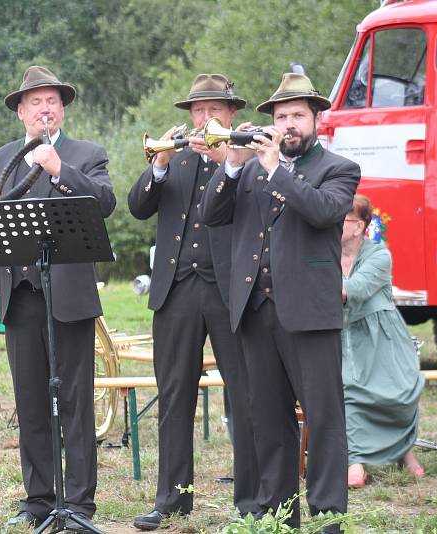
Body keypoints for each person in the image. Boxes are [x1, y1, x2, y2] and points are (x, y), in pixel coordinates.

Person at [200, 73, 361, 533]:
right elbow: (213, 215)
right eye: (281, 116)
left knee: (323, 416)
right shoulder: (249, 168)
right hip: (256, 310)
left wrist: (276, 169)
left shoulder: (338, 168)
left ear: (316, 120)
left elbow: (322, 212)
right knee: (267, 419)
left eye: (297, 116)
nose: (288, 124)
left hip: (309, 313)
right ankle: (279, 512)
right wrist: (231, 166)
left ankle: (328, 513)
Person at [0, 65, 115, 529]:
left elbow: (104, 203)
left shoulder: (86, 153)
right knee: (31, 403)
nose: (45, 108)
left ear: (62, 110)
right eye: (35, 102)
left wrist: (61, 170)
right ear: (21, 111)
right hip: (20, 297)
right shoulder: (1, 159)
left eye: (52, 101)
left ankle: (78, 505)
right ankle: (37, 500)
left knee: (76, 404)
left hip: (69, 299)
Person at [128, 74, 259, 530]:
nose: (205, 118)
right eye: (198, 110)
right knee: (174, 395)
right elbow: (138, 207)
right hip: (176, 289)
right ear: (189, 115)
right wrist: (159, 165)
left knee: (243, 394)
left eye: (213, 110)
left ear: (231, 114)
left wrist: (229, 159)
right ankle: (172, 499)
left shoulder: (246, 155)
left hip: (228, 290)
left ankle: (251, 500)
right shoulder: (176, 158)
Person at [340, 194, 425, 488]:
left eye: (342, 218)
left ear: (359, 226)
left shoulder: (379, 254)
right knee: (349, 391)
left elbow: (357, 289)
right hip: (344, 337)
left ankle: (404, 452)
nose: (334, 224)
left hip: (383, 335)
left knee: (400, 392)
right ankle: (355, 460)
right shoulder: (324, 252)